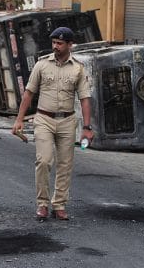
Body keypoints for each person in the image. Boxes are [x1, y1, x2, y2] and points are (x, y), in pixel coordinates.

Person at [11, 27, 94, 221]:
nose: (55, 46)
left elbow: (85, 99)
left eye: (60, 43)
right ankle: (42, 204)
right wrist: (19, 119)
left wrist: (87, 128)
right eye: (54, 43)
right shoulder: (41, 65)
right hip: (44, 119)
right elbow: (29, 93)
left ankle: (59, 205)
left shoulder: (78, 69)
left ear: (70, 45)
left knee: (65, 165)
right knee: (44, 160)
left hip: (67, 121)